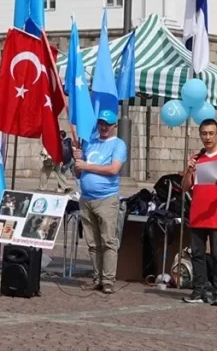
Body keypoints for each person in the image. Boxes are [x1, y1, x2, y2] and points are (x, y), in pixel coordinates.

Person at [181, 118, 217, 306]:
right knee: (197, 254)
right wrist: (189, 171)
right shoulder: (197, 158)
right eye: (204, 133)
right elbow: (184, 187)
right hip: (198, 213)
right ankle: (199, 290)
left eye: (211, 133)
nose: (207, 137)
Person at [73, 109, 127, 294]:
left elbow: (113, 169)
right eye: (101, 123)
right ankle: (97, 277)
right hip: (86, 198)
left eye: (107, 124)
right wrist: (78, 162)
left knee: (108, 241)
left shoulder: (118, 145)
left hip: (107, 199)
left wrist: (86, 165)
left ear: (114, 126)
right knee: (92, 242)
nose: (103, 127)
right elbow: (78, 173)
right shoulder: (90, 143)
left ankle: (108, 279)